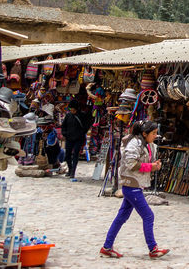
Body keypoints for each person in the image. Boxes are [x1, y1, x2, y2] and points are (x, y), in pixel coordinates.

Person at [100, 121, 169, 259]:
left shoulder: (146, 145)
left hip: (134, 186)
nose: (156, 136)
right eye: (153, 133)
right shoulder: (134, 144)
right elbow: (131, 164)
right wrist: (151, 167)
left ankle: (107, 247)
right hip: (132, 186)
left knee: (121, 217)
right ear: (145, 133)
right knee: (148, 216)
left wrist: (154, 164)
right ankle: (153, 249)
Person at [61, 101, 93, 182]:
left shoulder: (82, 115)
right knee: (67, 155)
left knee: (75, 155)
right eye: (71, 110)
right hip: (69, 138)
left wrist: (82, 133)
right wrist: (65, 133)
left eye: (73, 110)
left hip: (78, 139)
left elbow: (87, 125)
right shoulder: (68, 116)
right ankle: (70, 169)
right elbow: (63, 126)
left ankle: (73, 171)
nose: (72, 111)